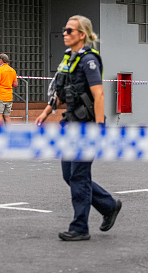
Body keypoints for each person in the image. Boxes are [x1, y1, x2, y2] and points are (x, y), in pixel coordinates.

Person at [35, 15, 122, 242]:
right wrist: (46, 112)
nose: (64, 33)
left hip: (86, 127)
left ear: (81, 34)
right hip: (70, 125)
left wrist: (100, 128)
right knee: (70, 175)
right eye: (64, 30)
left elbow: (99, 94)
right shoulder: (68, 59)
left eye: (69, 30)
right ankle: (109, 205)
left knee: (79, 176)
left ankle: (80, 227)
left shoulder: (89, 60)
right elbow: (60, 92)